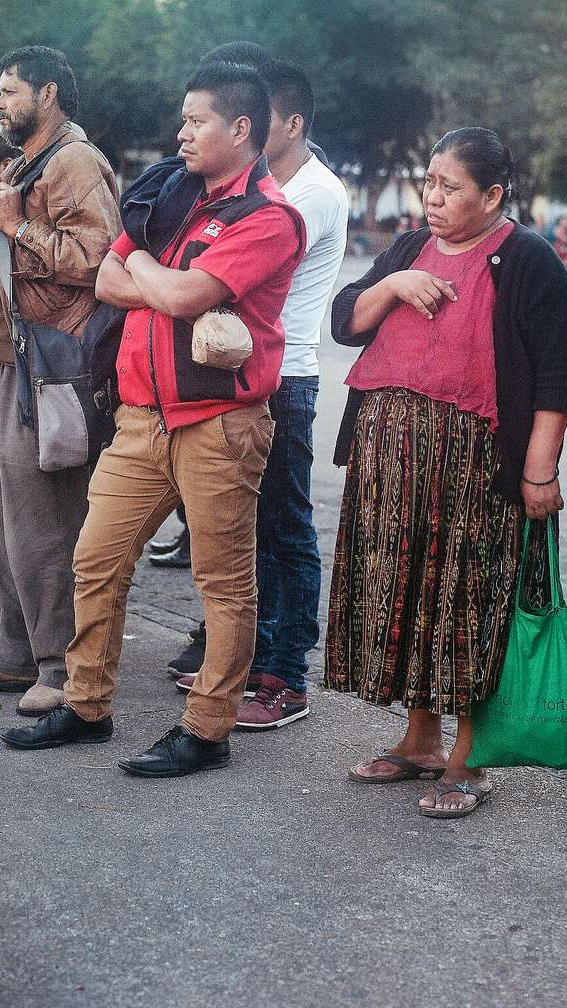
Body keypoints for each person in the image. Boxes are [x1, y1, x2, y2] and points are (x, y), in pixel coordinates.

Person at [1, 61, 305, 777]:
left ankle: (206, 729)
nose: (183, 133)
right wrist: (156, 280)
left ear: (241, 129)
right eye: (184, 119)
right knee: (95, 560)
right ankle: (86, 705)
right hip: (141, 417)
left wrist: (151, 277)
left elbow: (186, 294)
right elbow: (109, 277)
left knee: (224, 583)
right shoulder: (171, 194)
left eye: (197, 121)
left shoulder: (268, 217)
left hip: (220, 423)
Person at [326, 127, 567, 818]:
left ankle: (470, 760)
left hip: (473, 470)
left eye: (451, 187)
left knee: (463, 602)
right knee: (406, 594)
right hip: (391, 464)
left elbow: (559, 375)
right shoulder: (410, 248)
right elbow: (346, 319)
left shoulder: (527, 260)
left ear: (494, 194)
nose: (433, 198)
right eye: (429, 183)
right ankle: (419, 741)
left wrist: (537, 472)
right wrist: (395, 283)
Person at [0, 47, 119, 717]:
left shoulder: (74, 161)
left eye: (10, 90)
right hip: (1, 358)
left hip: (44, 365)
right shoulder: (28, 162)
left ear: (47, 93)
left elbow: (97, 259)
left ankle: (60, 665)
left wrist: (19, 225)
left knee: (43, 524)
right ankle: (10, 655)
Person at [232, 60, 349, 729]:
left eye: (259, 118)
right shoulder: (267, 182)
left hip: (287, 377)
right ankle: (255, 659)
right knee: (251, 529)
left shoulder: (312, 193)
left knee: (286, 532)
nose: (245, 129)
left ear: (293, 122)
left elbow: (228, 269)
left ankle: (286, 676)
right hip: (252, 372)